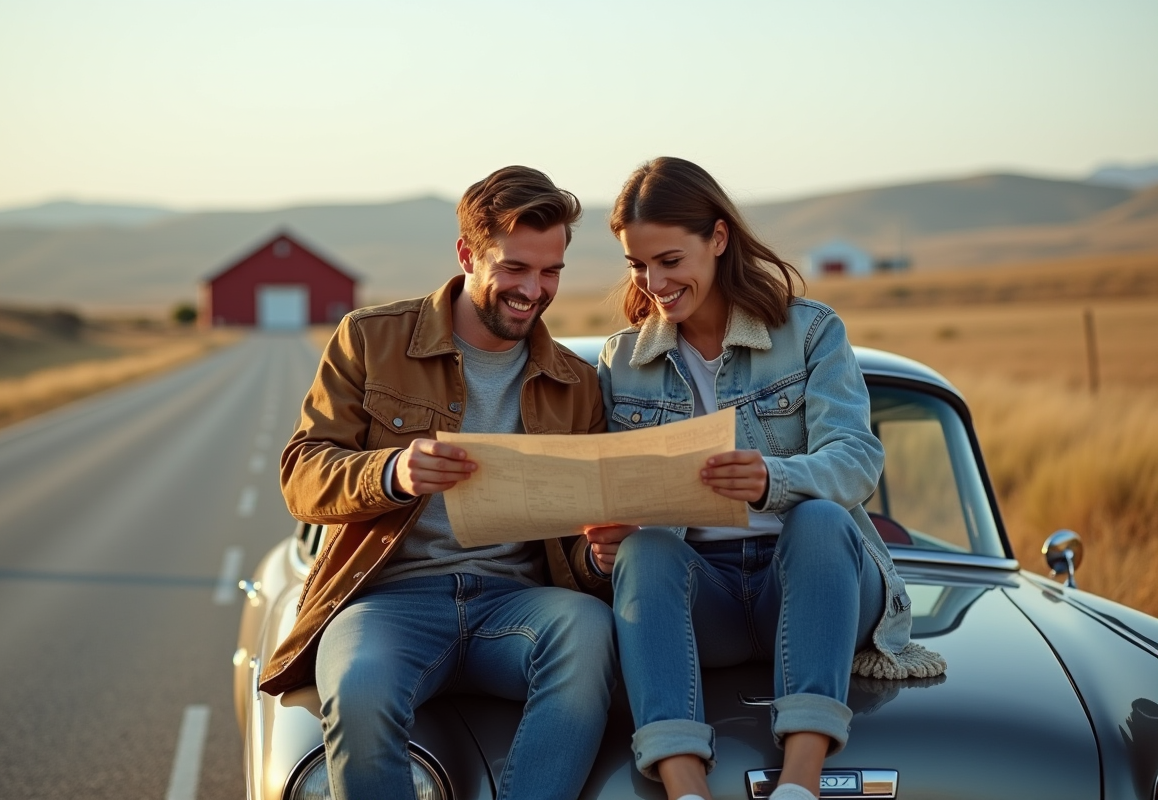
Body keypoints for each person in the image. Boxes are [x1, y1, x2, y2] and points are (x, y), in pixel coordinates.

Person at [585, 157, 946, 800]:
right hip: (708, 598)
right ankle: (684, 784)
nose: (654, 281)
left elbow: (857, 461)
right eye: (639, 265)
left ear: (718, 239)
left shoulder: (809, 331)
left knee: (820, 516)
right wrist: (615, 534)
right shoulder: (623, 359)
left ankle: (800, 784)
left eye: (670, 260)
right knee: (643, 551)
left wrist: (770, 478)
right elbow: (627, 487)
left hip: (817, 583)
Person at [259, 165, 616, 800]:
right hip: (385, 601)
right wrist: (392, 471)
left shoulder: (575, 383)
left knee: (589, 631)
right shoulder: (370, 339)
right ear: (466, 255)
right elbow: (302, 475)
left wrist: (597, 552)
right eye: (514, 268)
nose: (534, 291)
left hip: (516, 605)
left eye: (551, 272)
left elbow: (577, 543)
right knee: (360, 686)